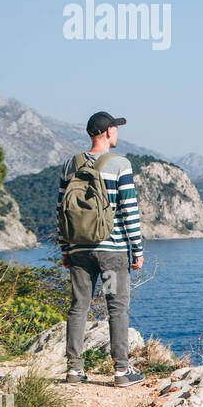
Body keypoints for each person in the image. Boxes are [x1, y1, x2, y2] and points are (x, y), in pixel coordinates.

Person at [58, 111, 145, 386]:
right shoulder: (120, 164)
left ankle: (74, 370)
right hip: (112, 252)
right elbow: (129, 210)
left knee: (78, 306)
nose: (118, 133)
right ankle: (121, 371)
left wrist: (65, 248)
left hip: (79, 250)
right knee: (116, 307)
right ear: (108, 132)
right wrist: (137, 249)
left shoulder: (70, 164)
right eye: (116, 129)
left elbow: (61, 209)